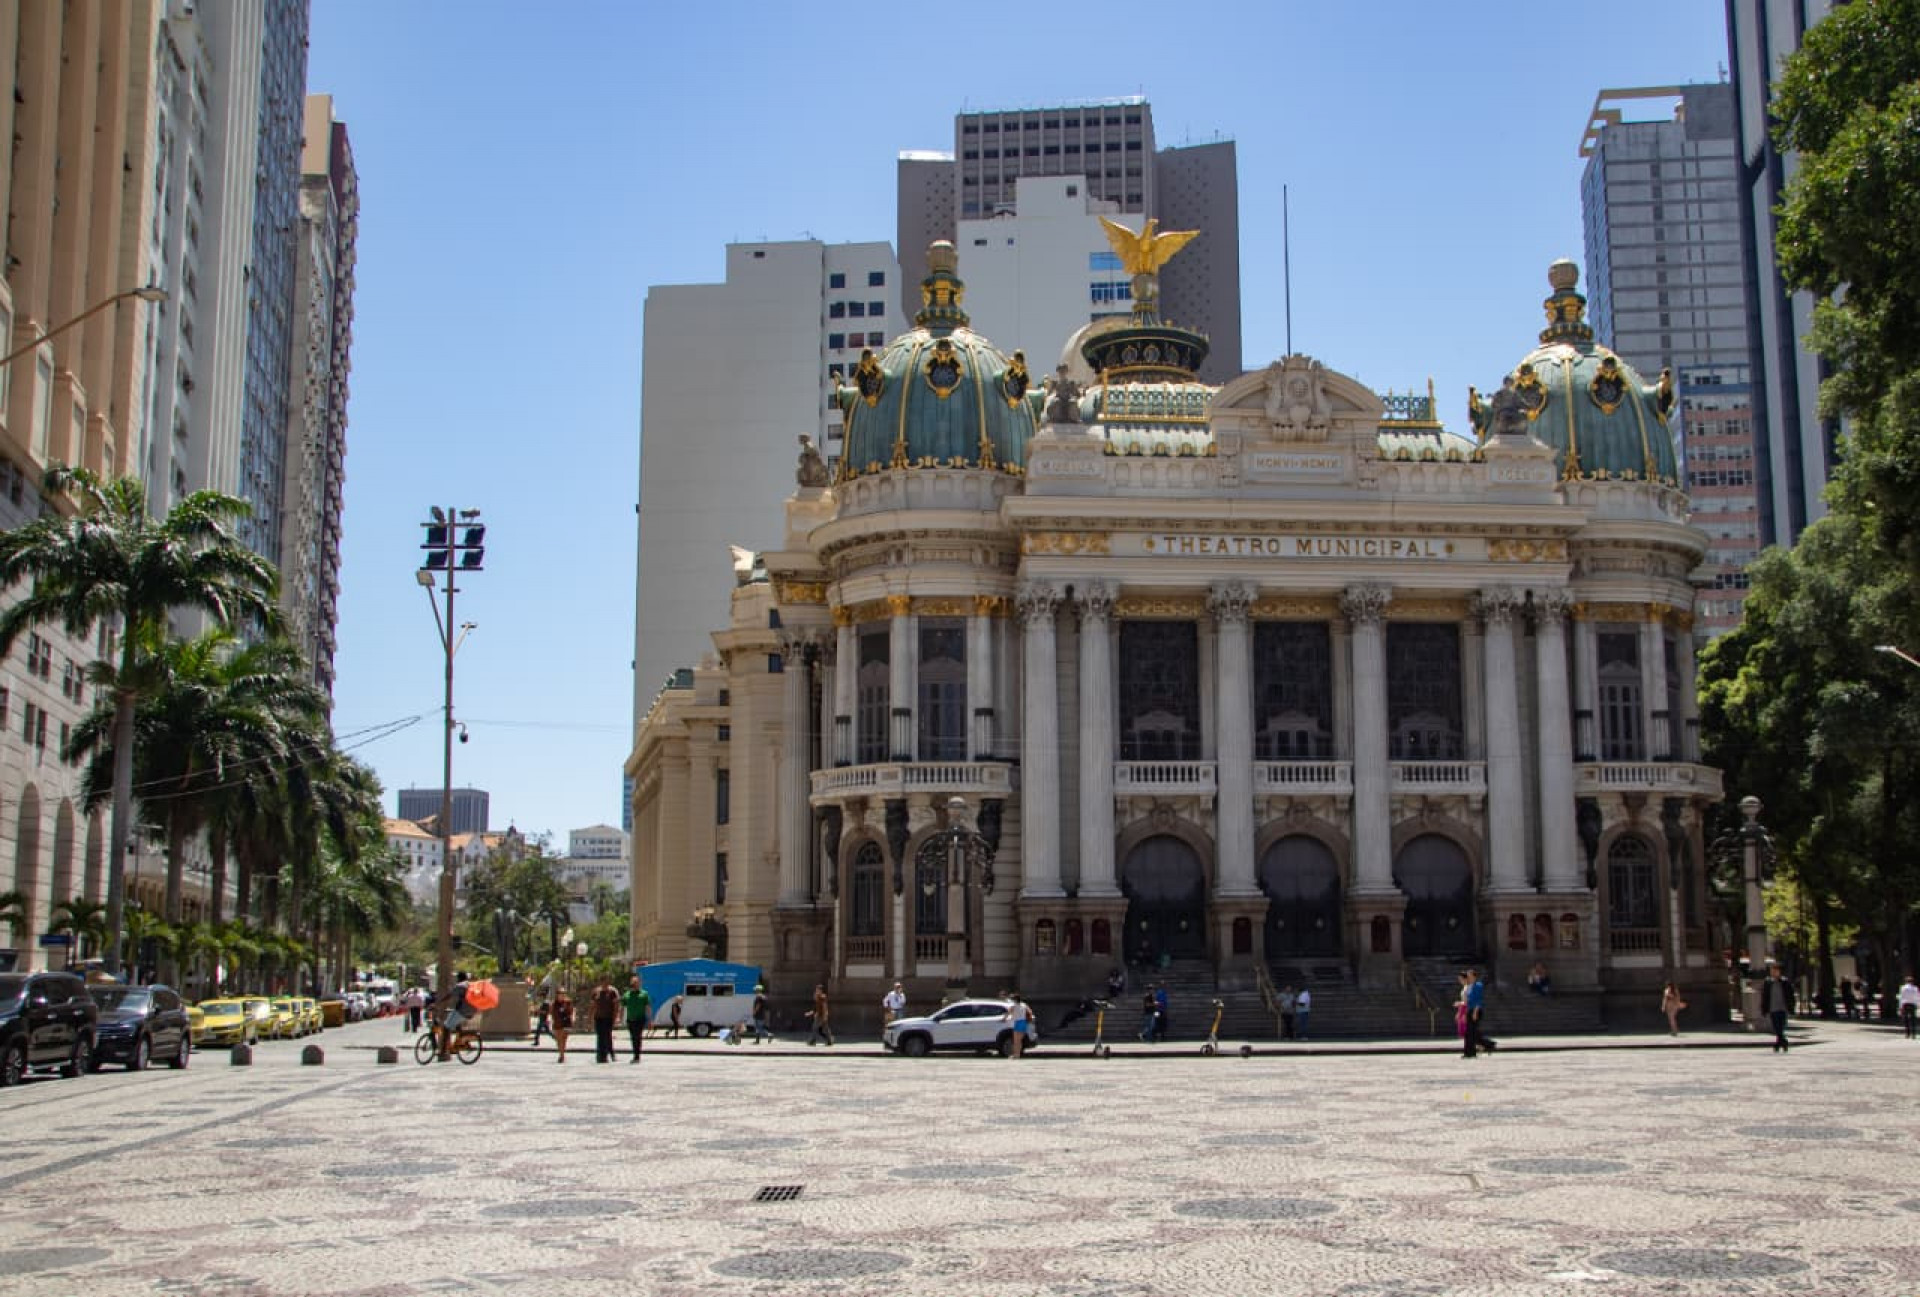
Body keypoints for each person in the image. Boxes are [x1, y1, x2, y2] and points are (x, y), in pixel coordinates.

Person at [433, 972, 472, 1059]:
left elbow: (450, 995)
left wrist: (439, 1003)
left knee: (446, 1027)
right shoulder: (470, 985)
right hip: (471, 1011)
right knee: (456, 1024)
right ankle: (461, 1041)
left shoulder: (460, 986)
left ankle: (443, 1051)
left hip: (462, 1010)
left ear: (459, 978)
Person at [1760, 961, 1795, 1053]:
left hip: (1782, 1008)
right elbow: (1765, 996)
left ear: (1779, 972)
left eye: (1775, 971)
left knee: (1781, 1027)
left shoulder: (1785, 982)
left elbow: (1790, 996)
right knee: (1776, 1028)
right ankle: (1783, 1042)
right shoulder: (1768, 982)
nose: (1774, 972)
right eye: (1772, 971)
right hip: (1773, 1008)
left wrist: (1791, 1007)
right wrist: (1764, 1008)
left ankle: (1779, 1043)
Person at [1461, 970, 1494, 1058]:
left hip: (1476, 1010)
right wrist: (1465, 1013)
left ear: (1474, 977)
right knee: (1470, 1033)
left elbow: (1479, 1000)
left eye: (1470, 976)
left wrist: (1475, 1012)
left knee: (1471, 1032)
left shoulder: (1478, 986)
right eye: (1468, 976)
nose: (1468, 977)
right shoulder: (1469, 986)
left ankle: (1471, 1052)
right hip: (1470, 1010)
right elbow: (1467, 1001)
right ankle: (1487, 1045)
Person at [590, 975, 620, 1064]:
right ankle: (601, 1055)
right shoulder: (596, 991)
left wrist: (616, 1017)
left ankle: (610, 1054)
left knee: (607, 1036)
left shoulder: (613, 991)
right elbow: (593, 1005)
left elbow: (616, 1006)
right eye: (603, 981)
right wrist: (590, 1017)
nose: (605, 983)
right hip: (598, 1017)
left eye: (606, 981)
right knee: (600, 1036)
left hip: (608, 1017)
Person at [622, 976, 652, 1064]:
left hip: (640, 1019)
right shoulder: (627, 994)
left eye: (636, 982)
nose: (634, 984)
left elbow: (648, 1007)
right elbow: (622, 1007)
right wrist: (619, 1018)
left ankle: (636, 1056)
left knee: (637, 1037)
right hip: (630, 1019)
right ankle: (635, 1053)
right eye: (633, 983)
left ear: (639, 983)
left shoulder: (644, 994)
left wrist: (650, 1020)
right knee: (633, 1037)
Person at [1003, 992, 1032, 1058]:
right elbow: (1030, 1011)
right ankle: (1018, 1054)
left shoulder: (1013, 1006)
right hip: (1023, 1022)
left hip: (1017, 1023)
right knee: (1019, 1040)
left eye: (1013, 999)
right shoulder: (1024, 1005)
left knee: (1016, 1041)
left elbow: (1008, 1013)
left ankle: (1016, 1054)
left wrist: (1004, 1019)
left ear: (1015, 1000)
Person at [550, 989, 574, 1063]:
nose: (562, 995)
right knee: (558, 1040)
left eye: (563, 994)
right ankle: (561, 1054)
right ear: (557, 995)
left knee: (563, 1039)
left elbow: (572, 1011)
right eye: (560, 994)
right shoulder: (554, 1003)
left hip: (566, 1023)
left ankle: (562, 1055)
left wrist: (572, 1018)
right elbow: (551, 1013)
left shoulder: (568, 1002)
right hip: (557, 1023)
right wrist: (551, 1021)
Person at [1898, 975, 1919, 1040]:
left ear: (1906, 981)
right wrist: (1918, 1004)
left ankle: (1907, 1034)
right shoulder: (1915, 988)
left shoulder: (1903, 988)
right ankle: (1913, 1034)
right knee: (1913, 1019)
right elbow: (1917, 997)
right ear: (1912, 982)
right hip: (1912, 1004)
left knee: (1906, 1019)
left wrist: (1900, 1006)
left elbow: (1901, 997)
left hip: (1905, 1004)